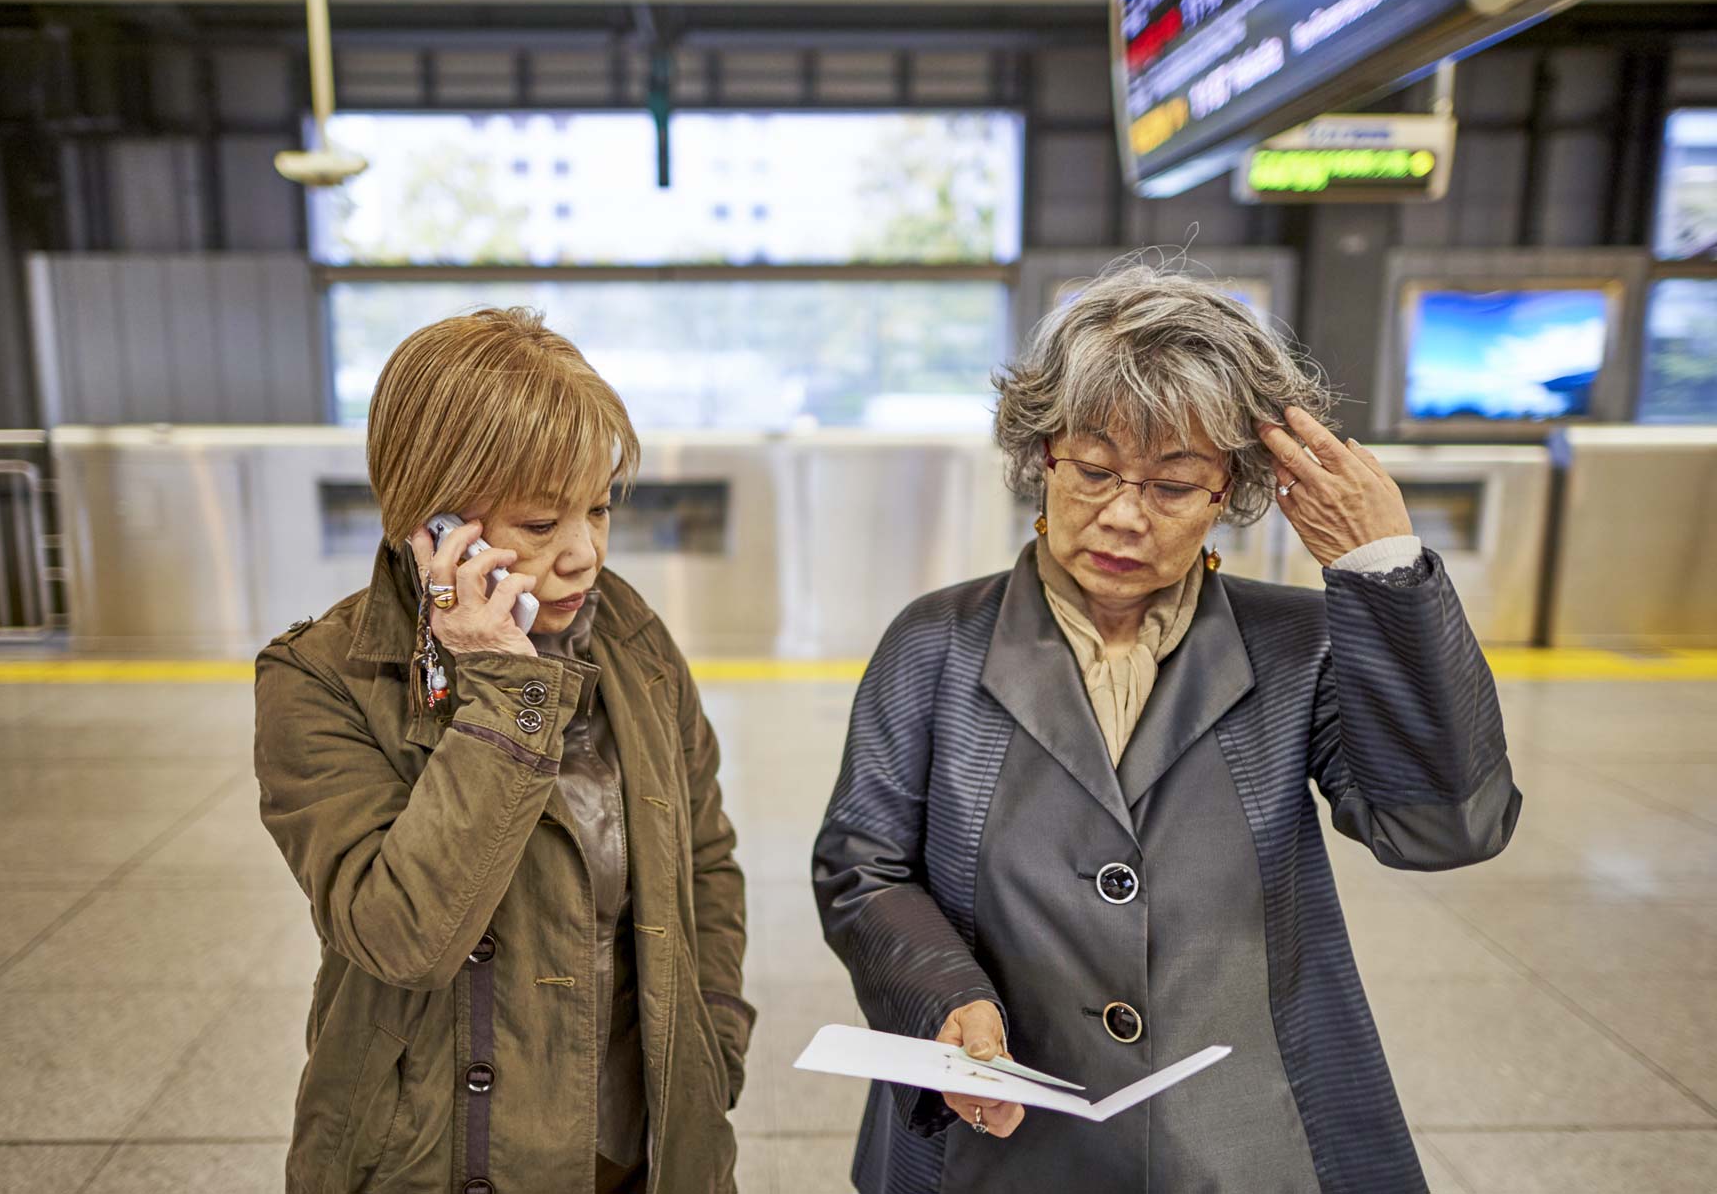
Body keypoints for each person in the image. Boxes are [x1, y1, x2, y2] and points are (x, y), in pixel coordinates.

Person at [812, 264, 1521, 1193]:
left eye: (1173, 485)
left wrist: (1384, 571)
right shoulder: (937, 642)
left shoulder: (1295, 645)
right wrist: (946, 995)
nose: (1122, 515)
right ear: (1041, 460)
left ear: (1230, 490)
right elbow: (863, 867)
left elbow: (1444, 826)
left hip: (1245, 1139)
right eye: (1094, 470)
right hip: (998, 1136)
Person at [255, 308, 752, 1194]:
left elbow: (703, 861)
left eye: (598, 509)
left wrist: (712, 1048)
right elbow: (403, 937)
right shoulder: (323, 679)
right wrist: (504, 693)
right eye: (538, 524)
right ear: (431, 522)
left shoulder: (630, 637)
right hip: (441, 1155)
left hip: (640, 1145)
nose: (584, 556)